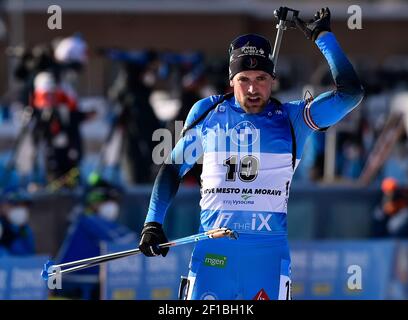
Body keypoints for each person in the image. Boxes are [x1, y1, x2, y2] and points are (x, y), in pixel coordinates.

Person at [138, 7, 364, 300]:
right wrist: (152, 223)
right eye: (244, 78)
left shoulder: (294, 119)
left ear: (273, 80)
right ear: (231, 81)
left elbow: (350, 94)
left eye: (261, 78)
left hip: (267, 258)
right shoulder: (207, 113)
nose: (253, 88)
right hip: (214, 256)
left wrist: (323, 37)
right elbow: (172, 169)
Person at [0, 187, 35, 255]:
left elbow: (29, 256)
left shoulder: (25, 230)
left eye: (24, 205)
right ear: (2, 206)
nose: (20, 209)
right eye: (16, 204)